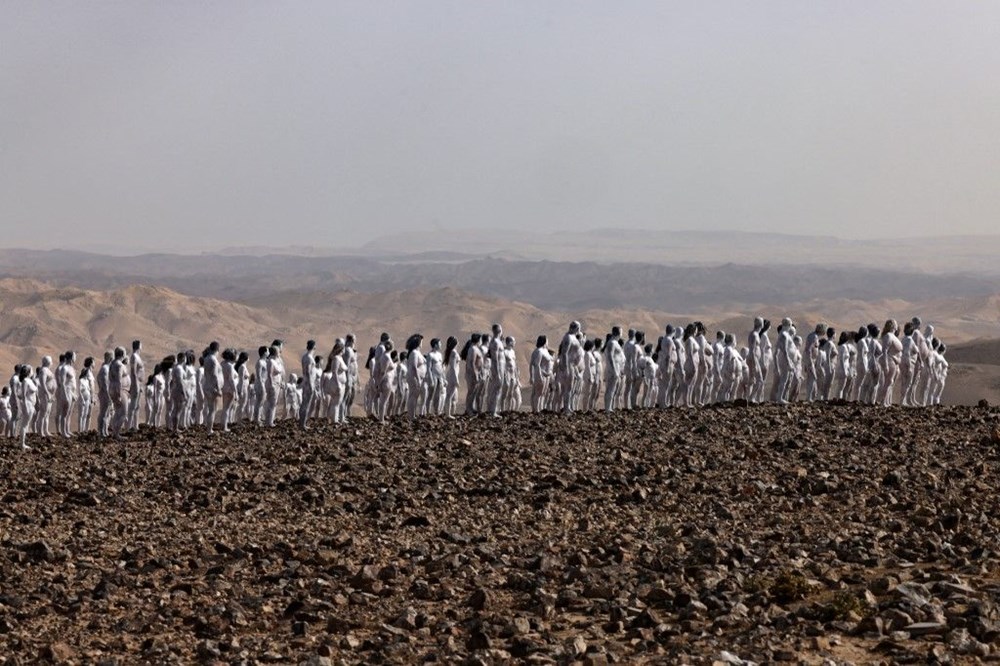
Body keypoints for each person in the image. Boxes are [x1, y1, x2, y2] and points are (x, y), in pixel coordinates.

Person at [324, 339, 349, 424]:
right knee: (336, 402)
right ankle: (334, 419)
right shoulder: (336, 359)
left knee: (338, 402)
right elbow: (334, 372)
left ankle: (334, 418)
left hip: (341, 383)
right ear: (341, 349)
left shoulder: (340, 358)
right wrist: (338, 384)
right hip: (336, 383)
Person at [109, 347, 131, 439]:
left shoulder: (112, 364)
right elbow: (118, 380)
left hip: (114, 388)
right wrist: (118, 395)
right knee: (123, 413)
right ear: (122, 354)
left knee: (117, 412)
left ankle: (115, 432)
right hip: (120, 390)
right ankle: (116, 433)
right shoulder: (119, 365)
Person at [202, 342, 224, 433]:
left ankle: (208, 428)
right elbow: (215, 375)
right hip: (212, 387)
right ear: (217, 350)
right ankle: (209, 429)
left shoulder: (206, 358)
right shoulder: (213, 360)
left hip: (207, 385)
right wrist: (218, 388)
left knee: (211, 409)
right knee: (213, 410)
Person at [604, 327, 625, 411]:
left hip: (616, 368)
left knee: (612, 389)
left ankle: (609, 407)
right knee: (610, 389)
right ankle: (608, 408)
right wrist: (614, 370)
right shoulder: (612, 343)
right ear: (619, 332)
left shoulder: (615, 342)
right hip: (613, 369)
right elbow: (610, 356)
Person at [17, 365, 37, 450]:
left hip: (31, 404)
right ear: (29, 371)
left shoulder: (29, 380)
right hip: (27, 404)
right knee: (24, 425)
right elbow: (23, 395)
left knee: (26, 424)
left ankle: (23, 442)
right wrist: (25, 407)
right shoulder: (25, 381)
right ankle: (22, 444)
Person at [299, 340, 317, 429]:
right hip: (308, 382)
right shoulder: (309, 358)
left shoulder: (304, 357)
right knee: (306, 404)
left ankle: (301, 423)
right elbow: (308, 372)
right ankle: (303, 424)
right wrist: (310, 384)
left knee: (304, 403)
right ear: (314, 347)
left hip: (305, 382)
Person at [425, 338, 445, 416]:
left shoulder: (440, 354)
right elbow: (428, 368)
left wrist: (443, 378)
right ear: (435, 344)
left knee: (438, 395)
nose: (441, 345)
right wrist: (431, 379)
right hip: (433, 376)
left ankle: (436, 411)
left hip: (440, 376)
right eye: (439, 343)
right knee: (431, 395)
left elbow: (441, 367)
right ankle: (428, 412)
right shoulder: (430, 355)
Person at [128, 340, 144, 431]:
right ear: (138, 346)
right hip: (135, 384)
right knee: (133, 406)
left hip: (139, 383)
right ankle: (129, 426)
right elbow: (133, 371)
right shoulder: (134, 357)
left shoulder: (138, 357)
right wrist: (135, 384)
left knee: (137, 406)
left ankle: (135, 425)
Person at [443, 336, 461, 419]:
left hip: (452, 375)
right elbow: (453, 366)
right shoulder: (453, 352)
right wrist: (456, 379)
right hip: (452, 375)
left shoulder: (452, 352)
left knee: (451, 395)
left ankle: (448, 412)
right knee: (450, 395)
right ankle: (448, 414)